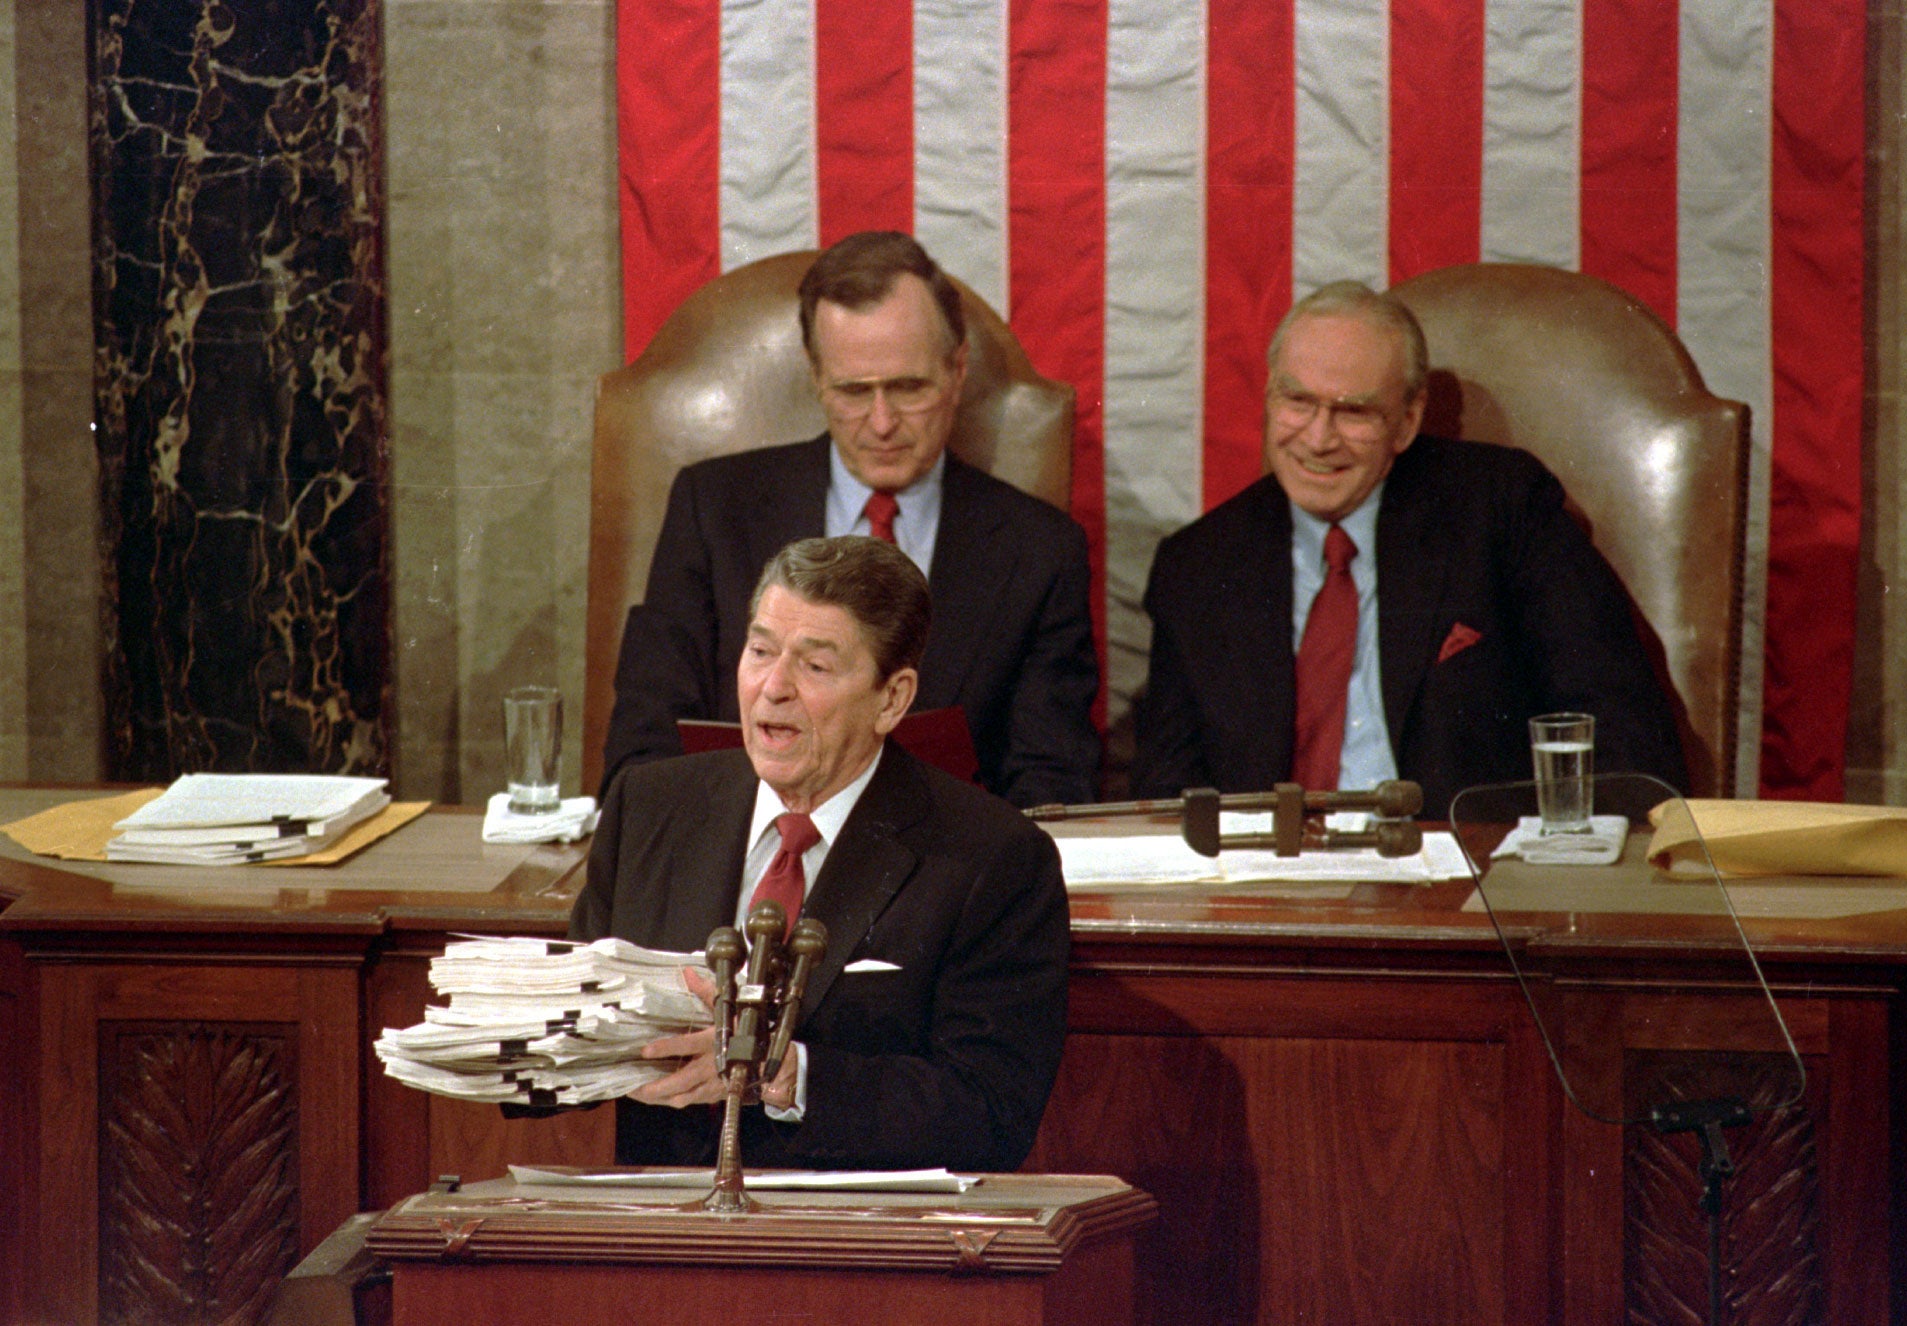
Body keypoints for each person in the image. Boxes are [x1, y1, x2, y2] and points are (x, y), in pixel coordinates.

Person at [573, 535, 1070, 1171]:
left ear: (892, 699)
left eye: (815, 666)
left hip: (857, 1244)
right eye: (760, 651)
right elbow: (573, 1025)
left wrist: (788, 1076)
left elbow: (989, 1113)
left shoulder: (992, 859)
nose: (772, 687)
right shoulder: (648, 807)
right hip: (664, 1231)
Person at [1132, 281, 1687, 814]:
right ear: (1271, 397)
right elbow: (1165, 800)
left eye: (1353, 411)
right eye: (1298, 401)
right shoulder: (1197, 566)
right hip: (1271, 887)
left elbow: (1623, 736)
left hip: (1460, 883)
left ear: (1407, 421)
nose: (1318, 438)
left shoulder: (1499, 509)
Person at [601, 230, 1100, 809]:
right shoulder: (713, 509)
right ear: (816, 376)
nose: (882, 423)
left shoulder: (1040, 549)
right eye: (853, 391)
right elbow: (643, 755)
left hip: (946, 880)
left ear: (958, 370)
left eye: (908, 388)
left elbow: (1053, 788)